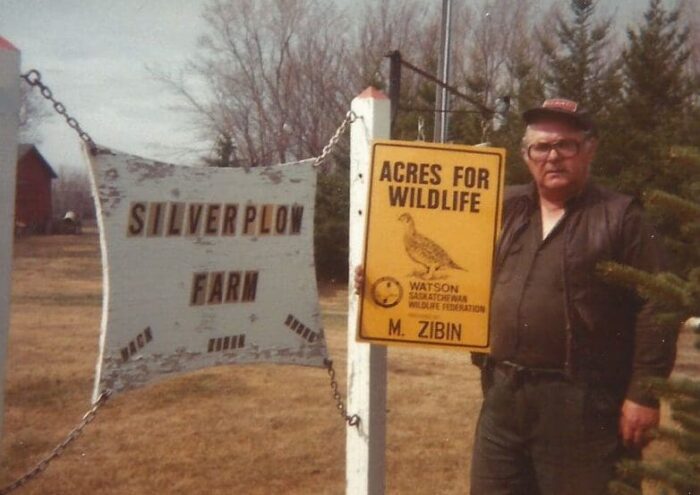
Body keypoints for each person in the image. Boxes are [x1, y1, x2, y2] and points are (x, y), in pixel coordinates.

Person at [468, 98, 678, 494]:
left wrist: (644, 394)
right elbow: (443, 254)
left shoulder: (622, 216)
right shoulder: (503, 207)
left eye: (565, 145)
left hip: (585, 404)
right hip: (504, 397)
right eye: (541, 147)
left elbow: (661, 302)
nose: (553, 157)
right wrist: (382, 275)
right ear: (526, 155)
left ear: (589, 149)